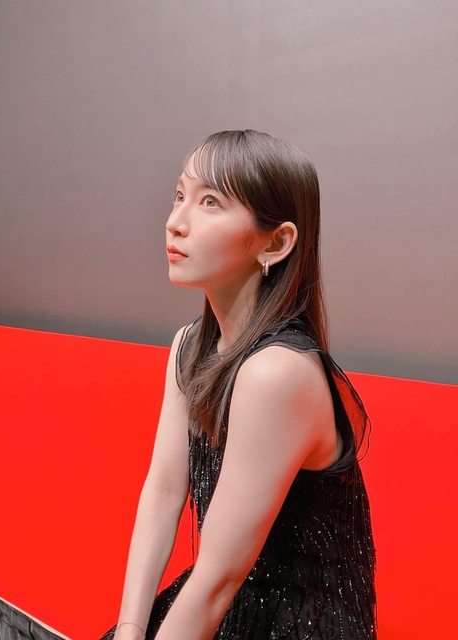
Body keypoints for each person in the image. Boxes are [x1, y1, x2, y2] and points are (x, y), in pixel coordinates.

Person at [100, 129, 377, 640]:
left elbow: (217, 580)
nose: (175, 222)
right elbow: (163, 492)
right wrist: (130, 629)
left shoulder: (278, 373)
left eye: (210, 202)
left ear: (276, 242)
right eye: (179, 195)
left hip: (297, 624)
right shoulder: (190, 346)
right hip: (228, 596)